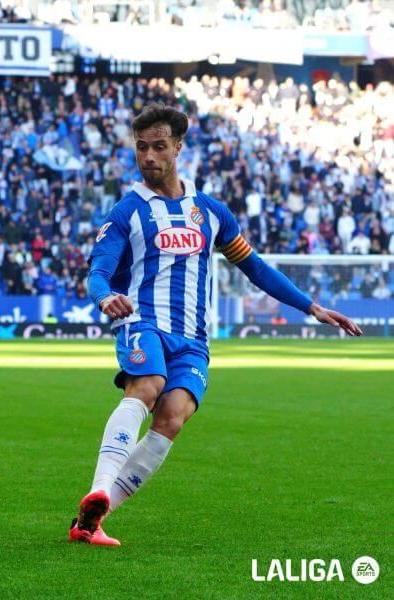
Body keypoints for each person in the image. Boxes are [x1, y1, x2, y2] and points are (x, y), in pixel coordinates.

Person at [71, 104, 361, 547]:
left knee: (172, 418)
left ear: (178, 148)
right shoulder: (126, 212)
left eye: (158, 146)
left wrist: (311, 306)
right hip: (143, 322)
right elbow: (98, 270)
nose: (148, 156)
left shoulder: (210, 212)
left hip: (193, 339)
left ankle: (93, 518)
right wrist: (105, 296)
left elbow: (255, 266)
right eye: (141, 147)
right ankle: (100, 486)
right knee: (147, 385)